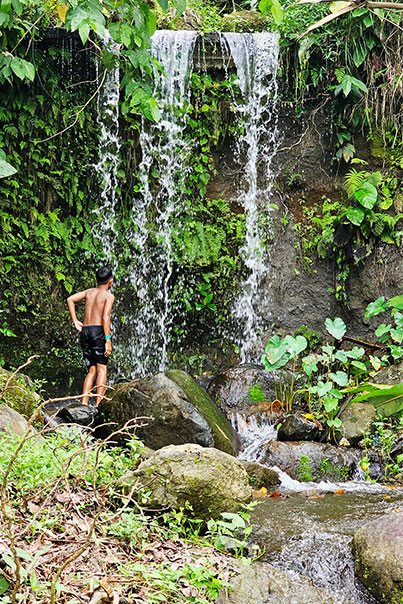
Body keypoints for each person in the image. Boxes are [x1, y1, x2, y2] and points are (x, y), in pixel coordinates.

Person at [67, 266, 115, 406]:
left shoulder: (89, 292)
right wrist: (108, 340)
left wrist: (75, 320)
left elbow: (70, 299)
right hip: (98, 331)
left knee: (91, 369)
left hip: (85, 331)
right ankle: (99, 404)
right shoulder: (109, 296)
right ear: (110, 282)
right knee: (102, 370)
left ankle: (84, 402)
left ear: (96, 280)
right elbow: (105, 318)